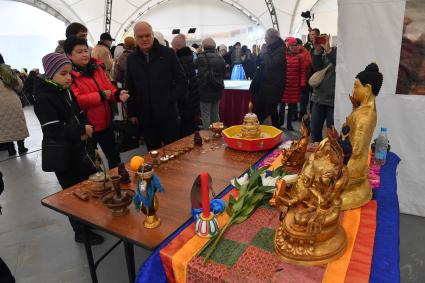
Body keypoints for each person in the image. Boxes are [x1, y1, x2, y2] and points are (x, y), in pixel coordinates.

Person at [33, 52, 103, 244]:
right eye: (63, 74)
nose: (68, 78)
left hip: (79, 150)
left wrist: (86, 125)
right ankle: (80, 232)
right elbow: (53, 130)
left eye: (70, 73)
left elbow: (79, 113)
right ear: (50, 74)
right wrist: (81, 129)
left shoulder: (65, 91)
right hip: (64, 156)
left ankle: (87, 222)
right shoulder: (44, 98)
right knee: (73, 194)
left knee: (85, 187)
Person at [64, 36, 129, 169]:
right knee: (91, 163)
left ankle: (118, 184)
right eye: (79, 52)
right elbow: (77, 100)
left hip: (106, 123)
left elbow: (108, 86)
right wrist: (101, 95)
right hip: (87, 128)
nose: (84, 54)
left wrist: (117, 94)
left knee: (114, 158)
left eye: (86, 50)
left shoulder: (96, 67)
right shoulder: (68, 75)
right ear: (69, 55)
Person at [126, 21, 187, 151]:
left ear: (153, 35)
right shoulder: (131, 59)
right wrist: (132, 113)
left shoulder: (168, 54)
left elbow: (181, 80)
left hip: (168, 114)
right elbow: (129, 87)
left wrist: (170, 99)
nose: (144, 39)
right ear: (135, 38)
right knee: (153, 153)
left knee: (174, 151)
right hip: (145, 115)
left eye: (147, 35)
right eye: (140, 36)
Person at [250, 28, 286, 128]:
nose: (265, 40)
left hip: (273, 86)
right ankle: (258, 131)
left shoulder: (281, 49)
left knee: (271, 111)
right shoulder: (271, 47)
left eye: (266, 38)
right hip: (265, 85)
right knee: (262, 111)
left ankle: (275, 134)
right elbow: (260, 63)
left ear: (273, 38)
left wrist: (264, 53)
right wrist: (261, 53)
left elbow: (272, 64)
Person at [171, 34, 200, 137]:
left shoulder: (179, 61)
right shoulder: (190, 58)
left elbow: (181, 85)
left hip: (185, 103)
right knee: (190, 127)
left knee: (185, 131)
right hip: (192, 100)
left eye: (173, 46)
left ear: (177, 47)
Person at [310, 34, 337, 142]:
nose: (322, 41)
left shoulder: (336, 52)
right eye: (320, 38)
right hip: (318, 98)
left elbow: (339, 63)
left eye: (324, 38)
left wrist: (328, 50)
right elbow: (316, 68)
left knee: (332, 133)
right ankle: (317, 153)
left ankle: (331, 155)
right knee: (315, 130)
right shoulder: (321, 53)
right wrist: (316, 51)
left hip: (333, 100)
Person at [196, 37, 226, 130]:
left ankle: (207, 136)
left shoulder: (199, 58)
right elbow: (224, 73)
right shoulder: (220, 58)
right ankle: (217, 133)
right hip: (217, 89)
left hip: (204, 90)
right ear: (214, 47)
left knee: (205, 114)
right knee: (215, 113)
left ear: (204, 47)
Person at [0, 64, 29, 156]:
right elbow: (19, 86)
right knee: (17, 123)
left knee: (4, 127)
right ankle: (21, 147)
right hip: (13, 101)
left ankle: (10, 149)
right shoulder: (8, 71)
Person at [279, 37, 307, 131]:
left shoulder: (300, 57)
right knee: (282, 106)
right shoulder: (283, 56)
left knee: (292, 107)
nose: (295, 47)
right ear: (288, 46)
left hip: (295, 86)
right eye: (292, 45)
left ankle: (289, 124)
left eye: (296, 45)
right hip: (284, 85)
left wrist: (302, 84)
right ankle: (280, 122)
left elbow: (302, 72)